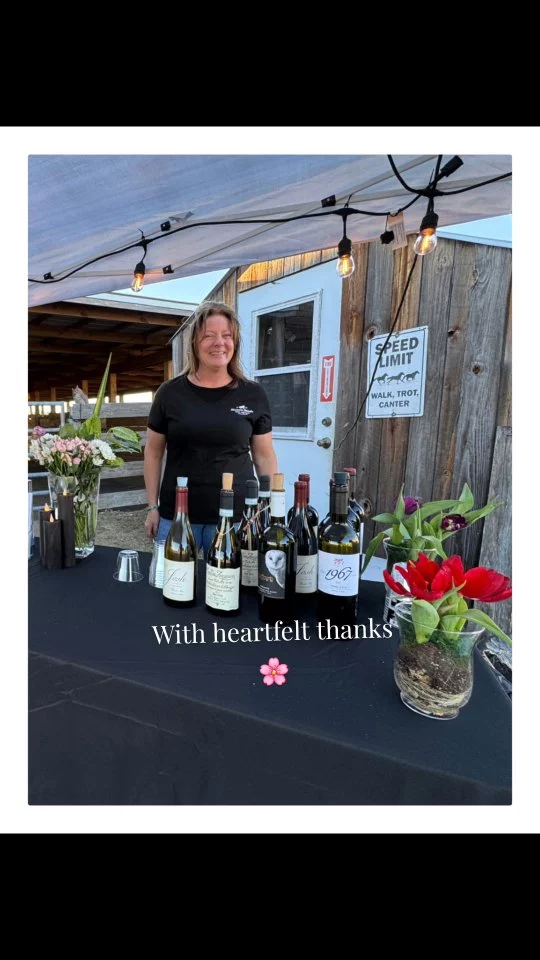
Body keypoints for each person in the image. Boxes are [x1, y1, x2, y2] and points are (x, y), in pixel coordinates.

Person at [144, 300, 278, 556]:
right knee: (173, 591)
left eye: (227, 336)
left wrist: (267, 508)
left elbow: (264, 455)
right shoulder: (169, 394)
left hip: (238, 518)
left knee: (232, 593)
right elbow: (153, 452)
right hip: (178, 516)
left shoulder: (253, 394)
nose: (219, 343)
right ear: (195, 343)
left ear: (235, 343)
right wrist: (153, 507)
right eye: (209, 336)